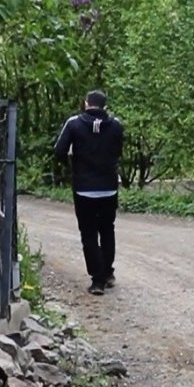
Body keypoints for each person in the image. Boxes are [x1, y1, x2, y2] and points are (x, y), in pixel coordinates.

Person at [53, 90, 125, 296]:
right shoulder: (116, 125)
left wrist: (73, 166)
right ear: (105, 106)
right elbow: (118, 151)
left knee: (88, 233)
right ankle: (108, 271)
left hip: (84, 188)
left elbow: (59, 150)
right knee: (107, 229)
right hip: (108, 187)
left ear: (86, 104)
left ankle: (97, 279)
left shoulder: (74, 123)